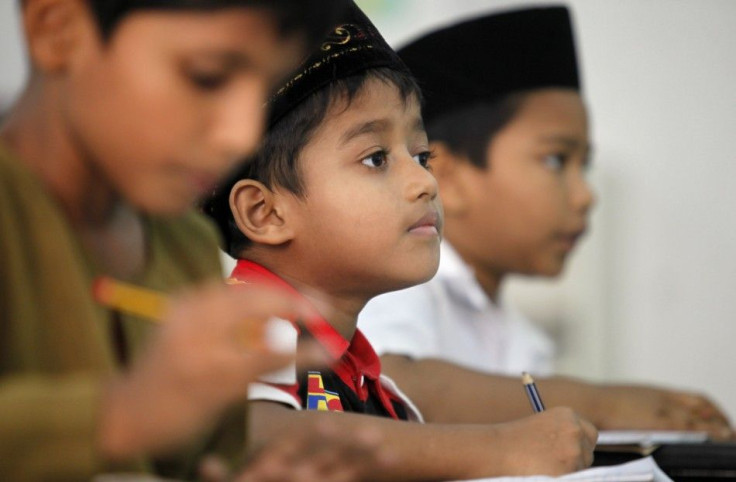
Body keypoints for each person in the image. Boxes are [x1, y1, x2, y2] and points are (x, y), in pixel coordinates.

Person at [0, 1, 393, 481]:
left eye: (263, 92)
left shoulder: (188, 248)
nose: (241, 135)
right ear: (56, 30)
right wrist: (123, 415)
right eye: (207, 77)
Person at [204, 3, 598, 480]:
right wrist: (499, 447)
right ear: (264, 213)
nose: (425, 183)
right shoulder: (243, 323)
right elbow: (248, 435)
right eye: (375, 158)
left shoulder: (377, 390)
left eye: (421, 155)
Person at [357, 5, 733, 437]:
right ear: (448, 176)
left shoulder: (524, 343)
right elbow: (391, 386)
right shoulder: (398, 287)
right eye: (556, 160)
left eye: (584, 166)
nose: (586, 195)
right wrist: (600, 404)